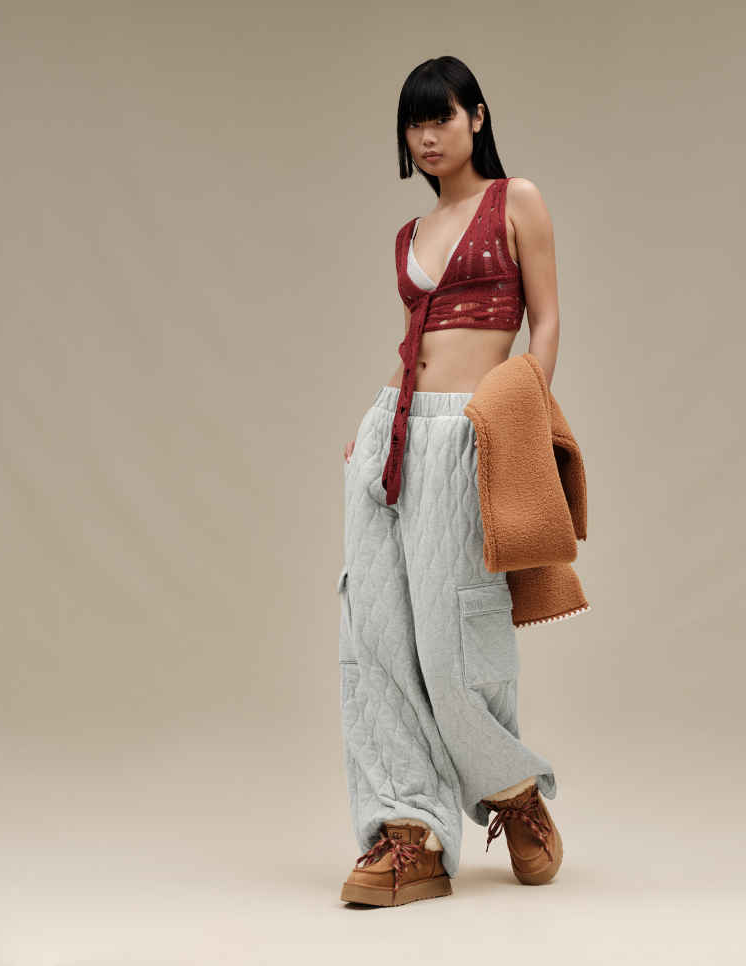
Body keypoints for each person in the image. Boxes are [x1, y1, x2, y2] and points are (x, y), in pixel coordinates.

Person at [336, 56, 564, 907]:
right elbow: (416, 347)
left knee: (454, 636)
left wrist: (515, 419)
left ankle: (514, 791)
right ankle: (410, 833)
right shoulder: (409, 234)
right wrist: (372, 435)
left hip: (471, 434)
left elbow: (545, 323)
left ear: (478, 116)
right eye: (414, 123)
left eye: (442, 117)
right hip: (394, 435)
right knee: (376, 640)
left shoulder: (516, 201)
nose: (427, 136)